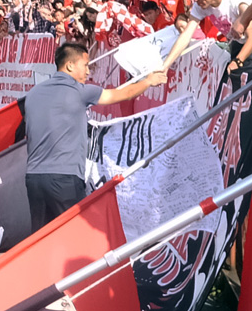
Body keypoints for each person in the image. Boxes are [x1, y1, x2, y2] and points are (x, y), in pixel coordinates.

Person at [24, 43, 167, 232]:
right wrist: (148, 81)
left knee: (41, 238)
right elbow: (124, 94)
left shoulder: (33, 93)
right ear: (70, 65)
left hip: (33, 178)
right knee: (77, 235)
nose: (88, 71)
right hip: (64, 179)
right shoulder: (80, 91)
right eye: (85, 65)